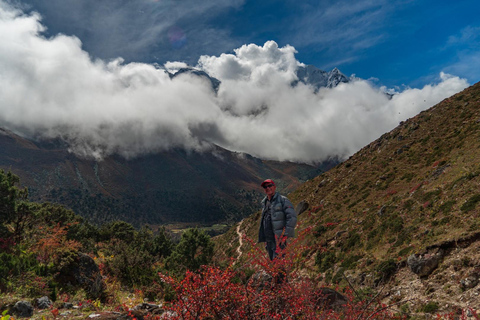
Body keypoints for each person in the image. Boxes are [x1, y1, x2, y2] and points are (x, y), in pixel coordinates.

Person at [258, 179, 297, 260]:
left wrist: (285, 235)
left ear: (274, 187)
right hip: (269, 239)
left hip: (278, 239)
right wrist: (265, 238)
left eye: (269, 185)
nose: (267, 188)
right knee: (273, 263)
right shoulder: (265, 202)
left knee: (279, 262)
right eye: (265, 187)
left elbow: (292, 217)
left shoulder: (283, 200)